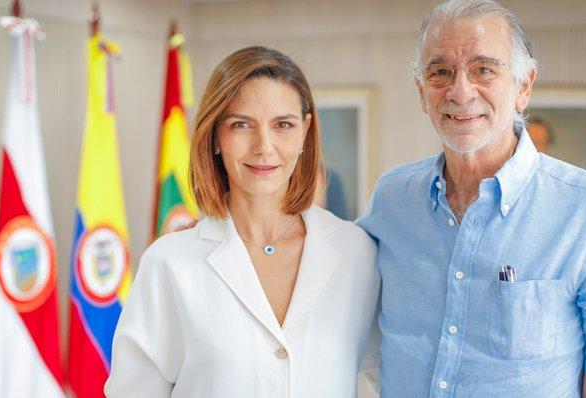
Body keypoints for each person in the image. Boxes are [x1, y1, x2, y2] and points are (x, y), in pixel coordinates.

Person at [356, 1, 586, 397]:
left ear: (524, 86)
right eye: (440, 72)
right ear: (421, 91)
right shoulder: (391, 198)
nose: (460, 90)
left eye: (484, 69)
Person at [105, 46, 380, 397]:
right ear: (216, 136)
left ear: (305, 132)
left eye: (283, 125)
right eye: (241, 125)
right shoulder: (170, 263)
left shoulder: (357, 253)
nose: (264, 146)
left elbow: (386, 377)